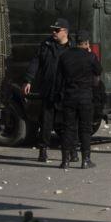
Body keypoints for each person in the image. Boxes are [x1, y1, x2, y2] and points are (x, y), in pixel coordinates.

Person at [52, 28, 102, 169]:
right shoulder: (90, 57)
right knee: (85, 129)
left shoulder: (65, 56)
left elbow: (59, 78)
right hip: (85, 97)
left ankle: (65, 160)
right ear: (86, 43)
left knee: (68, 128)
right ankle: (85, 160)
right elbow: (98, 70)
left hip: (69, 97)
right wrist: (91, 54)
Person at [23, 18, 71, 163]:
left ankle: (70, 151)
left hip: (65, 90)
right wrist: (28, 80)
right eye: (53, 30)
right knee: (46, 122)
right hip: (49, 88)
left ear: (65, 32)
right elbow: (35, 62)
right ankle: (43, 150)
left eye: (57, 30)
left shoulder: (72, 47)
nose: (53, 32)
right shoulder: (46, 44)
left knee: (66, 123)